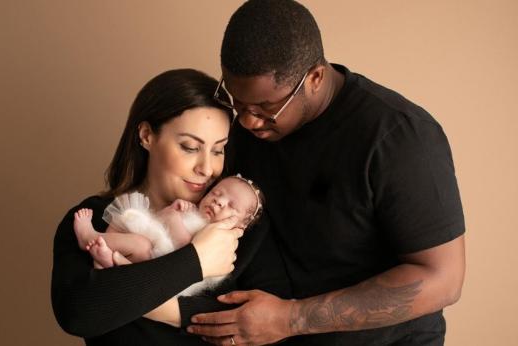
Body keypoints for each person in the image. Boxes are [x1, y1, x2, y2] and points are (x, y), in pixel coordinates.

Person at [187, 1, 466, 345]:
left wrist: (290, 319)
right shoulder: (245, 125)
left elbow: (443, 279)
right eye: (237, 102)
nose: (247, 121)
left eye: (265, 109)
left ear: (315, 77)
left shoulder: (397, 136)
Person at [51, 68, 288, 345]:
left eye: (218, 149)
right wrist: (196, 260)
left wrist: (158, 307)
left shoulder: (238, 221)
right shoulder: (94, 219)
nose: (207, 168)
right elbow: (80, 313)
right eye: (189, 147)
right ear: (147, 136)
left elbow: (266, 326)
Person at [73, 174, 264, 297]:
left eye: (231, 205)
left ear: (241, 225)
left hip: (166, 266)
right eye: (216, 192)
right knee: (126, 215)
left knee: (140, 244)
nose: (219, 201)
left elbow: (186, 250)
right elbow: (160, 218)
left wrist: (173, 217)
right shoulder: (194, 213)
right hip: (156, 248)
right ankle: (108, 258)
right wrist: (174, 210)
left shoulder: (218, 237)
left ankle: (88, 237)